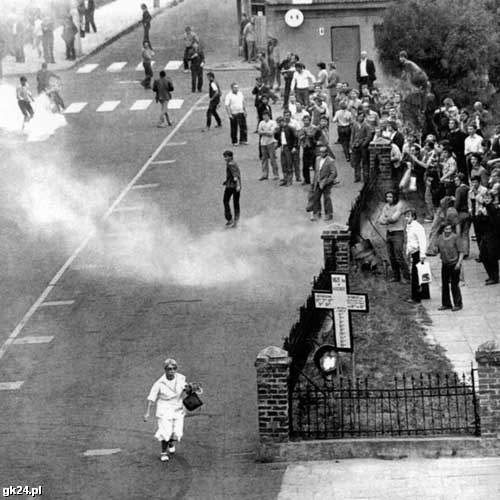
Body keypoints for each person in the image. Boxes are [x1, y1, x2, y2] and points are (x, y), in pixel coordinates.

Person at [144, 359, 200, 461]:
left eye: (174, 368)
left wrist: (191, 389)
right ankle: (163, 452)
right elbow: (151, 398)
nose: (172, 371)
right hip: (164, 408)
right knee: (165, 431)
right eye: (169, 369)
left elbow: (187, 390)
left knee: (177, 432)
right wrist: (147, 413)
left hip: (178, 407)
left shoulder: (181, 379)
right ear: (165, 370)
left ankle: (170, 442)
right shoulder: (159, 383)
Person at [377, 190, 410, 283]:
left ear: (395, 197)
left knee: (399, 256)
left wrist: (386, 220)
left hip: (398, 233)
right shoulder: (386, 206)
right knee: (391, 256)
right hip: (389, 233)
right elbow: (380, 219)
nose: (388, 199)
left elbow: (394, 218)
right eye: (387, 197)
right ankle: (396, 277)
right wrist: (386, 219)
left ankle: (407, 277)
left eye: (390, 197)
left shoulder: (399, 205)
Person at [436, 223, 464, 311]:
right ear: (443, 229)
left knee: (454, 285)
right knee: (444, 284)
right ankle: (446, 304)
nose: (448, 230)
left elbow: (461, 251)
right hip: (445, 263)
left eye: (449, 229)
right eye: (446, 229)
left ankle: (458, 304)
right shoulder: (440, 237)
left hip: (454, 264)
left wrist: (459, 263)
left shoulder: (455, 237)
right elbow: (438, 248)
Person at [405, 210, 429, 304]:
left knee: (416, 276)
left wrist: (422, 255)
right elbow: (409, 241)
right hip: (413, 252)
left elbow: (422, 241)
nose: (407, 218)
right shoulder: (409, 226)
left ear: (413, 217)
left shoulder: (418, 227)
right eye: (406, 216)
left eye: (409, 216)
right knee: (416, 275)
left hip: (418, 253)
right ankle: (421, 295)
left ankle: (416, 297)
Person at [307, 145, 338, 221]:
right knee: (316, 197)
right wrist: (314, 182)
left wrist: (327, 181)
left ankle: (329, 214)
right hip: (318, 182)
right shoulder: (317, 159)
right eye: (320, 152)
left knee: (327, 198)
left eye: (323, 152)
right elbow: (316, 171)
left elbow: (334, 173)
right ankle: (317, 213)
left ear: (326, 153)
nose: (321, 154)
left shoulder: (330, 161)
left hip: (326, 183)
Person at [350, 112, 374, 183]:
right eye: (359, 116)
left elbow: (369, 136)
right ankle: (357, 177)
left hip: (363, 147)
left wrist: (364, 144)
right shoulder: (354, 125)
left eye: (362, 117)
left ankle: (365, 178)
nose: (360, 118)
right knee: (356, 162)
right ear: (357, 117)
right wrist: (352, 144)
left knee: (365, 162)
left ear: (364, 117)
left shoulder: (366, 125)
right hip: (355, 146)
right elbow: (352, 135)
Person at [275, 116, 298, 186]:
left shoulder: (290, 128)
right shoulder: (279, 130)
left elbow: (296, 138)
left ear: (283, 121)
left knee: (289, 164)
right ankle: (285, 179)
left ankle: (289, 180)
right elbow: (278, 138)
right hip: (282, 147)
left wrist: (294, 147)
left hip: (288, 147)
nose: (278, 124)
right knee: (283, 164)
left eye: (279, 122)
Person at [222, 150, 241, 228]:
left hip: (232, 186)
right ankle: (235, 220)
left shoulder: (230, 164)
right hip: (232, 185)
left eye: (226, 157)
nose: (225, 158)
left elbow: (235, 176)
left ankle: (230, 219)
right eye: (224, 157)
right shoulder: (232, 162)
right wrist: (226, 181)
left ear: (230, 157)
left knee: (226, 201)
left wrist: (237, 185)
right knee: (236, 203)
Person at [258, 110, 278, 180]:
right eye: (263, 116)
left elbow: (271, 133)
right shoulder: (261, 122)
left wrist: (264, 132)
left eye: (266, 115)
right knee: (264, 159)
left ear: (268, 116)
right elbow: (259, 131)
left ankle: (276, 174)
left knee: (272, 159)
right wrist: (267, 132)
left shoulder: (273, 122)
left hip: (271, 142)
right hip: (263, 143)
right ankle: (264, 174)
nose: (265, 117)